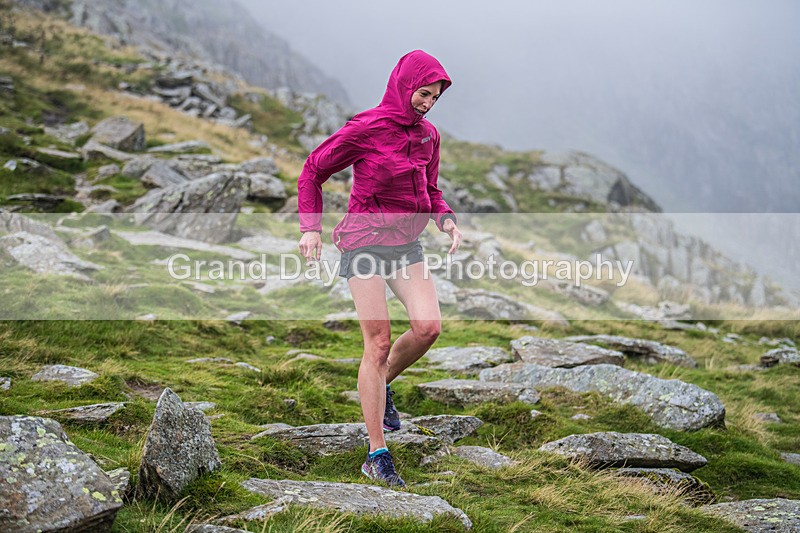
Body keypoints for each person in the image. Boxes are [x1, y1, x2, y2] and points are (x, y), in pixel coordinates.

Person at [297, 50, 462, 488]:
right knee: (379, 342)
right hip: (364, 243)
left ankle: (380, 383)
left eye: (435, 98)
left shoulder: (429, 136)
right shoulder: (366, 128)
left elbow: (430, 188)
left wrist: (445, 218)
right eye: (423, 94)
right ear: (404, 86)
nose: (428, 103)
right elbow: (312, 171)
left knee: (428, 328)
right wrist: (310, 229)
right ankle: (376, 454)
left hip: (406, 245)